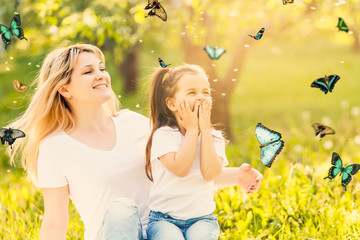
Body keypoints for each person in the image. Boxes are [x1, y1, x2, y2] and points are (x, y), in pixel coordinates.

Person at [6, 44, 262, 240]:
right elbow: (54, 223)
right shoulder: (54, 148)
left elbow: (178, 171)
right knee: (121, 208)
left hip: (161, 231)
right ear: (64, 89)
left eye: (102, 68)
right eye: (88, 71)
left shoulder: (134, 124)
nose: (101, 76)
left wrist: (236, 177)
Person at [145, 65, 253, 240]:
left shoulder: (214, 137)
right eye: (192, 92)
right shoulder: (164, 135)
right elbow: (181, 168)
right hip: (164, 221)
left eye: (206, 92)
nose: (201, 97)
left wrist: (204, 130)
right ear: (172, 103)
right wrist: (193, 129)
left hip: (202, 220)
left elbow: (210, 173)